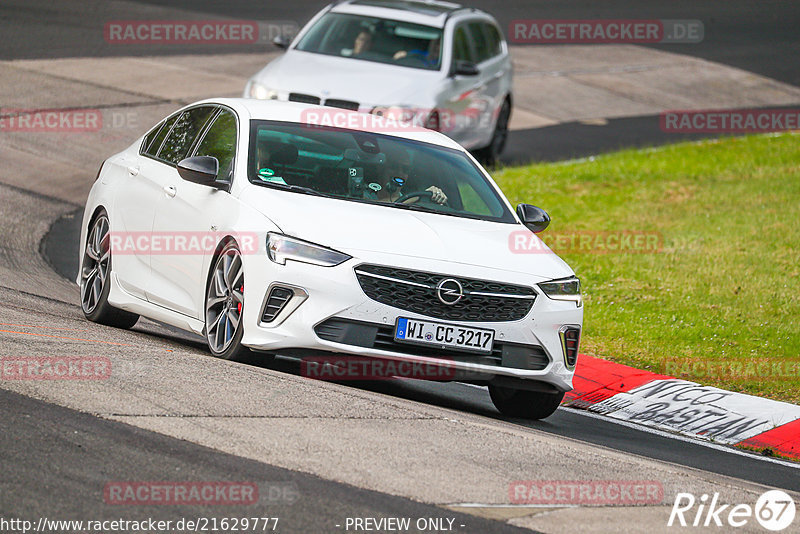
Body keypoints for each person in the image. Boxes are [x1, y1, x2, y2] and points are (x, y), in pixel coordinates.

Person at [375, 147, 447, 204]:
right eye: (394, 167)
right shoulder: (366, 192)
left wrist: (437, 196)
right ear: (381, 169)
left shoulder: (416, 204)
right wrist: (418, 196)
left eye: (405, 170)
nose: (400, 173)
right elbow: (376, 206)